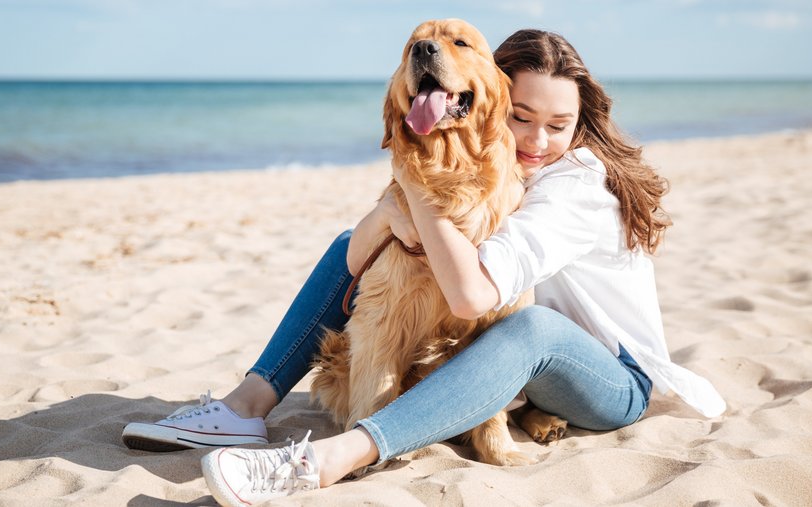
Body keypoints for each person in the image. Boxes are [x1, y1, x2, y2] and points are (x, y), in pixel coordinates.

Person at [123, 29, 726, 505]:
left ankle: (338, 457)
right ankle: (246, 406)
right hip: (521, 372)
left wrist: (411, 190)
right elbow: (356, 257)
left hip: (610, 382)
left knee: (528, 325)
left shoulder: (574, 185)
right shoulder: (500, 172)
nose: (537, 140)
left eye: (558, 125)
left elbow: (472, 298)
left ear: (579, 124)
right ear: (488, 101)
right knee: (350, 242)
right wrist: (392, 213)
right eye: (521, 116)